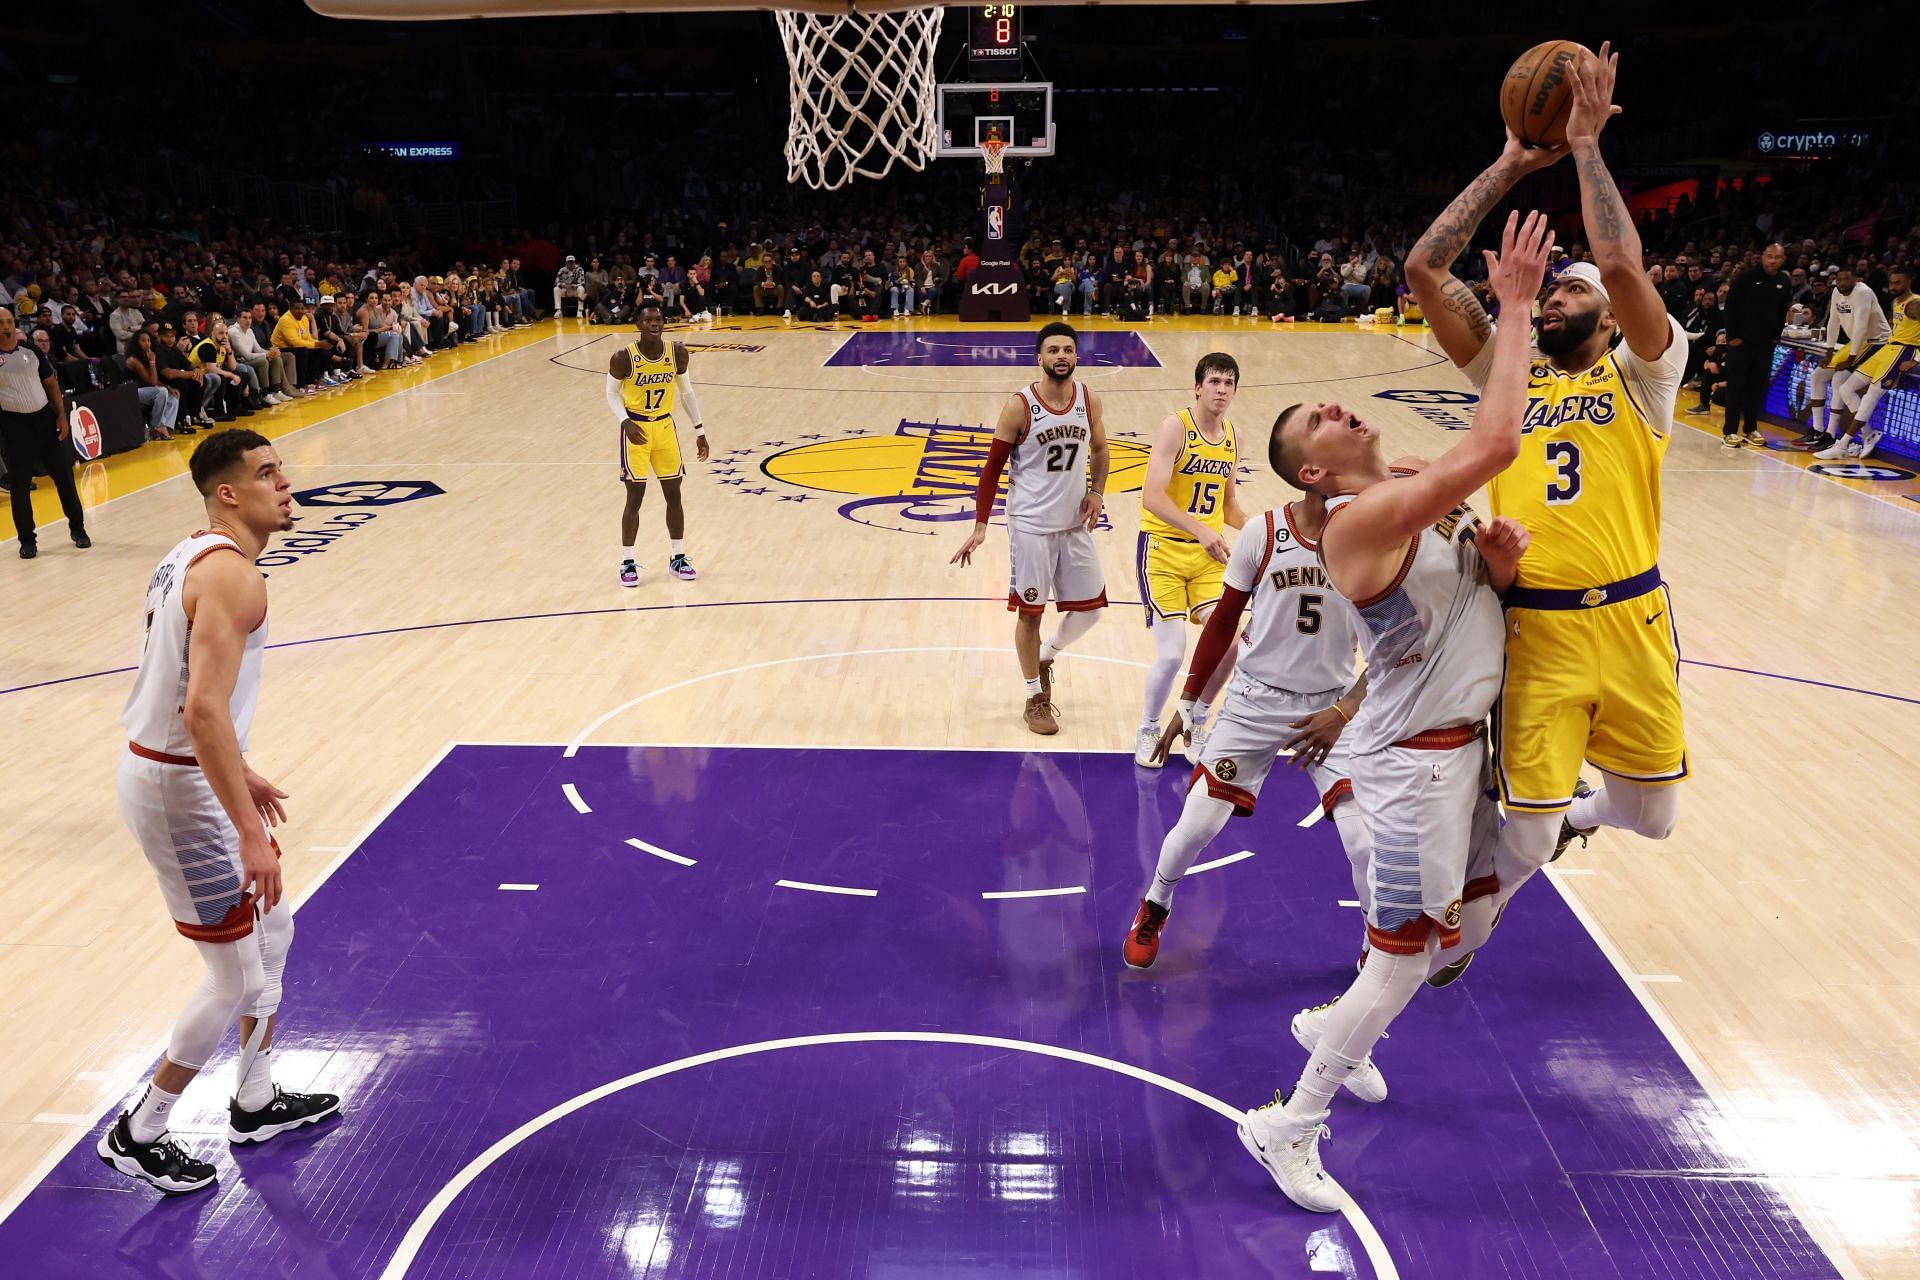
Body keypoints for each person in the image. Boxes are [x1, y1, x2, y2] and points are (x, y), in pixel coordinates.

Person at [1240, 208, 1548, 1213]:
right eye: (1315, 421)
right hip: (1414, 763)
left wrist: (1492, 569)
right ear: (1317, 473)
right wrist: (1513, 309)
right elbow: (1501, 435)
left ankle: (1336, 1021)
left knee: (1497, 887)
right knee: (1407, 958)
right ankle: (1289, 1121)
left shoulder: (1413, 488)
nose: (1335, 402)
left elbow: (1466, 595)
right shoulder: (1364, 517)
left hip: (1458, 752)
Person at [1404, 45, 1689, 987]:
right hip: (1539, 628)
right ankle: (1458, 945)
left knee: (1655, 818)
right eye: (1552, 286)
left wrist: (1584, 145)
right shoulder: (1506, 376)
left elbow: (1618, 258)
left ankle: (1581, 815)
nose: (1561, 292)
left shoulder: (1645, 373)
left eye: (1575, 292)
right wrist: (1512, 163)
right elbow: (1425, 268)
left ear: (1608, 317)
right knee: (1521, 837)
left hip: (1634, 619)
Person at [102, 429, 340, 1194]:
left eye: (283, 469)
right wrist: (247, 830)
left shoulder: (190, 555)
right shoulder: (236, 578)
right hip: (180, 791)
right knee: (233, 976)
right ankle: (141, 1129)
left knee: (276, 929)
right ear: (227, 493)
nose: (287, 483)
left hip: (187, 771)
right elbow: (201, 709)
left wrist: (242, 770)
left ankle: (256, 1096)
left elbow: (184, 699)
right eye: (268, 473)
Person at [1123, 484, 1377, 990]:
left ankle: (1377, 943)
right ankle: (1156, 903)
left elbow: (1394, 644)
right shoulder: (1262, 533)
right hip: (1255, 701)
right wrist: (1189, 704)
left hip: (1330, 703)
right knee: (1196, 825)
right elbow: (1221, 624)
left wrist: (1346, 711)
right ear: (1307, 470)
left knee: (1363, 841)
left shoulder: (1368, 540)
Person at [951, 322, 1111, 735]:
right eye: (1053, 350)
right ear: (1039, 358)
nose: (1061, 356)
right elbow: (991, 470)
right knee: (1030, 614)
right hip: (1031, 526)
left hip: (1074, 523)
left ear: (1077, 357)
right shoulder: (1020, 406)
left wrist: (1097, 492)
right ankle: (1034, 697)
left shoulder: (1089, 399)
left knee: (1090, 611)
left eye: (1068, 350)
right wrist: (982, 525)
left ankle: (1045, 656)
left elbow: (1100, 449)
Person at [1135, 353, 1246, 766]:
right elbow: (1152, 496)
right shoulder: (1175, 427)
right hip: (1163, 550)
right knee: (1170, 654)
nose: (1221, 389)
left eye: (1229, 383)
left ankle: (1197, 719)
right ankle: (1147, 727)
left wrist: (1260, 529)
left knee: (1231, 644)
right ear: (1198, 386)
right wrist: (1200, 529)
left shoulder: (1233, 435)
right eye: (1214, 381)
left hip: (1207, 558)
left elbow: (1229, 505)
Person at [606, 299, 709, 586]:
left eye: (658, 320)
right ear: (638, 325)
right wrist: (624, 421)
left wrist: (700, 430)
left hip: (665, 428)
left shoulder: (676, 353)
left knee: (674, 495)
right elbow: (611, 394)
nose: (654, 324)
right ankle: (627, 561)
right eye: (648, 320)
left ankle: (678, 557)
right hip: (636, 430)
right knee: (634, 498)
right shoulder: (622, 357)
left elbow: (687, 394)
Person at [0, 307, 90, 557]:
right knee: (20, 485)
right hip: (13, 425)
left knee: (63, 476)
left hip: (44, 420)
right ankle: (27, 540)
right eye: (0, 323)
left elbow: (50, 382)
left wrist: (61, 415)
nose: (6, 327)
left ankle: (78, 528)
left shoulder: (30, 350)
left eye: (9, 321)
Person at [1819, 266, 1918, 459]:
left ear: (1908, 282)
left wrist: (1916, 359)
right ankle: (1868, 434)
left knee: (1870, 396)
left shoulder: (1915, 304)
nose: (1893, 286)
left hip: (1903, 351)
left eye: (1898, 282)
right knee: (1846, 389)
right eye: (1891, 282)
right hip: (1888, 348)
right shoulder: (1896, 301)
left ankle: (1843, 444)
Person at [1804, 265, 1889, 453]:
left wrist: (1850, 358)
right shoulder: (1836, 292)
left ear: (1856, 280)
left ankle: (1832, 434)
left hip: (1876, 342)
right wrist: (1829, 351)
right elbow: (1833, 321)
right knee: (1818, 375)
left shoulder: (1863, 293)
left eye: (1846, 280)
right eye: (1838, 280)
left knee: (1839, 379)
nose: (1842, 284)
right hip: (1856, 343)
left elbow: (1860, 327)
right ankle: (1819, 430)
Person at [1721, 243, 1794, 447]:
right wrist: (1732, 336)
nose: (1772, 260)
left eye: (1777, 257)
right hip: (1741, 342)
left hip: (1765, 344)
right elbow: (1730, 308)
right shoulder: (1746, 278)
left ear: (1783, 260)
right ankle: (1730, 430)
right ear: (1762, 257)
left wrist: (1775, 337)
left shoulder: (1783, 281)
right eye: (1769, 256)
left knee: (1757, 388)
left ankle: (1751, 428)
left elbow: (1781, 311)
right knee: (1736, 387)